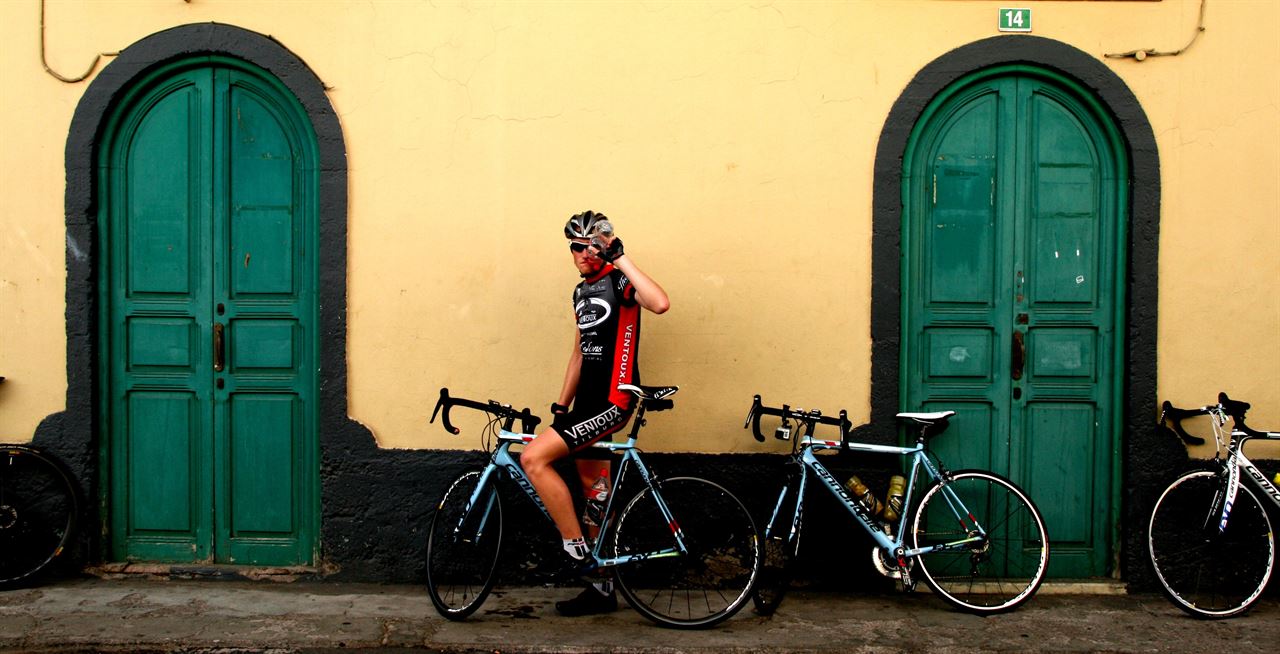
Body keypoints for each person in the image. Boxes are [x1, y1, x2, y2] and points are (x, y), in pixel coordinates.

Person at [520, 210, 670, 616]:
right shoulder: (580, 292)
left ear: (603, 246)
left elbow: (660, 303)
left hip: (613, 401)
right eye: (576, 245)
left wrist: (619, 257)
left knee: (532, 457)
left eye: (592, 245)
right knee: (596, 494)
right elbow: (578, 354)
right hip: (585, 403)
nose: (583, 252)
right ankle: (603, 590)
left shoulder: (621, 281)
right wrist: (560, 405)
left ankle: (576, 550)